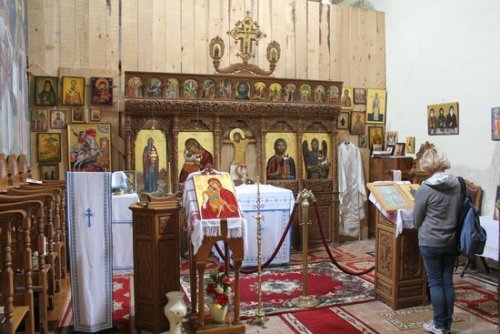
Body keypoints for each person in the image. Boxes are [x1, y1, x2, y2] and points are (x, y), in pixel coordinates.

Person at [414, 147, 461, 334]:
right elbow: (457, 210)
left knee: (435, 281)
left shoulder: (426, 187)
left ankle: (439, 325)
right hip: (450, 239)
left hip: (430, 241)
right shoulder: (457, 183)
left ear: (428, 166)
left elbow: (417, 218)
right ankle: (447, 324)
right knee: (447, 280)